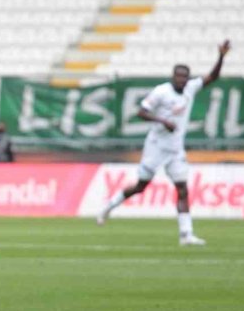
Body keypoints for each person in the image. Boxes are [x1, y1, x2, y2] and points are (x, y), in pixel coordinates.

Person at [97, 41, 231, 245]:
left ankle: (186, 234)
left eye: (185, 77)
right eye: (179, 76)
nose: (182, 80)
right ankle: (108, 207)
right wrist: (162, 121)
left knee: (183, 189)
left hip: (175, 150)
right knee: (141, 186)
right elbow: (141, 112)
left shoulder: (190, 89)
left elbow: (212, 77)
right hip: (156, 147)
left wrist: (221, 56)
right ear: (173, 77)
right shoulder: (161, 92)